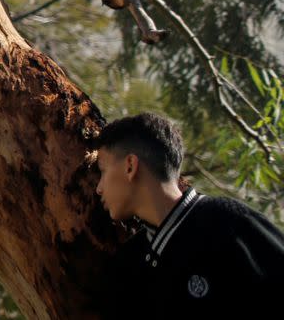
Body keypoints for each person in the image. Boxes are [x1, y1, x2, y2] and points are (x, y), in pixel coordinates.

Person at [94, 112, 284, 319]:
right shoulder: (127, 266)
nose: (99, 188)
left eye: (102, 171)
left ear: (130, 166)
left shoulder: (229, 223)